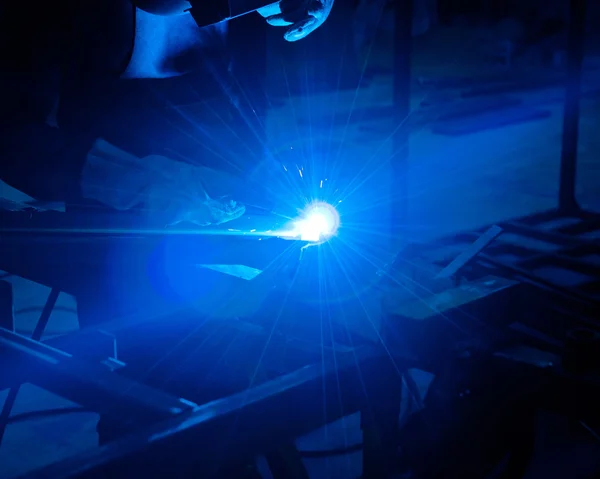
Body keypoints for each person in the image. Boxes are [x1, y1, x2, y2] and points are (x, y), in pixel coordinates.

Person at [0, 0, 334, 226]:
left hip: (232, 183)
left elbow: (239, 83)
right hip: (122, 226)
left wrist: (261, 161)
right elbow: (9, 136)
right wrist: (139, 183)